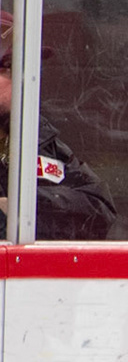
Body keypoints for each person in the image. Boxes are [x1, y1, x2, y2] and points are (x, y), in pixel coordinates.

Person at [0, 12, 114, 241]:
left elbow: (99, 211)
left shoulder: (38, 138)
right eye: (9, 68)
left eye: (29, 70)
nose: (23, 82)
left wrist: (24, 203)